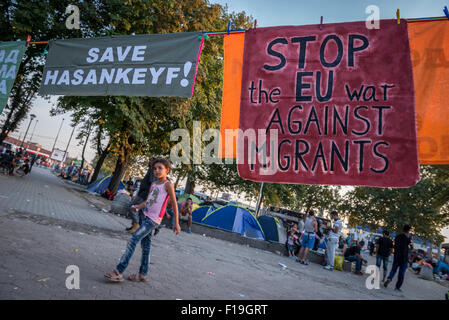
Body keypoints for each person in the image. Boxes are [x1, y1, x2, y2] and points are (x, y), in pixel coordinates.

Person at [104, 158, 181, 282]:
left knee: (133, 239)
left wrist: (176, 223)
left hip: (153, 220)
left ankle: (119, 271)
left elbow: (174, 204)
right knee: (146, 247)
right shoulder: (154, 184)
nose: (157, 170)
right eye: (154, 168)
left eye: (160, 168)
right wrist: (137, 206)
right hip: (145, 216)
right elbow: (149, 201)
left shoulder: (168, 185)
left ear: (167, 170)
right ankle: (143, 274)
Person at [126, 158, 157, 233]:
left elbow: (152, 184)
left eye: (151, 161)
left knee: (131, 206)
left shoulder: (153, 171)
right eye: (149, 160)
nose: (149, 162)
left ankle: (136, 225)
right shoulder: (149, 170)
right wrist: (136, 194)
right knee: (141, 213)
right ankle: (137, 227)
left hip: (145, 194)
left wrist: (149, 197)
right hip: (141, 193)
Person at [384, 224, 414, 292]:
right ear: (408, 231)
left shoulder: (397, 236)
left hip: (397, 256)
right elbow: (411, 248)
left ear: (403, 229)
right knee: (401, 273)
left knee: (393, 269)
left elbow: (394, 245)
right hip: (404, 258)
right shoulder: (408, 239)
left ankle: (389, 278)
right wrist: (411, 240)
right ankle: (397, 287)